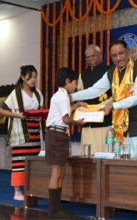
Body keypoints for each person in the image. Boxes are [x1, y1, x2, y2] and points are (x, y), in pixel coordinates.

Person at [71, 40, 137, 156]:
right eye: (114, 55)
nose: (118, 58)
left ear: (129, 52)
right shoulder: (112, 73)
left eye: (121, 53)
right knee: (126, 170)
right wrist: (71, 96)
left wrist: (113, 106)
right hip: (123, 133)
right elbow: (95, 90)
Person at [45, 67, 86, 218]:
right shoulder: (62, 96)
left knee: (61, 171)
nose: (76, 86)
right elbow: (66, 119)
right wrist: (78, 123)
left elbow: (66, 112)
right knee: (57, 171)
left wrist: (77, 105)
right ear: (67, 81)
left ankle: (57, 208)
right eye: (75, 83)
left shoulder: (62, 95)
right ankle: (53, 210)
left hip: (59, 135)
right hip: (56, 135)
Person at [0, 65, 43, 201]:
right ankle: (17, 192)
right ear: (23, 77)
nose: (33, 80)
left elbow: (40, 109)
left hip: (34, 130)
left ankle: (33, 188)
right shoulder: (15, 93)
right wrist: (18, 116)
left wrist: (40, 116)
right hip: (20, 131)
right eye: (30, 77)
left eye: (35, 77)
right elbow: (2, 110)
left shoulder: (38, 93)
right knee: (19, 161)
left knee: (34, 161)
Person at [77, 45, 112, 153]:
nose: (91, 59)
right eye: (88, 57)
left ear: (100, 55)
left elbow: (117, 95)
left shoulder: (110, 71)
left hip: (105, 122)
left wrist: (106, 105)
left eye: (93, 56)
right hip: (88, 125)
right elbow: (80, 94)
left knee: (104, 156)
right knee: (88, 159)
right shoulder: (83, 74)